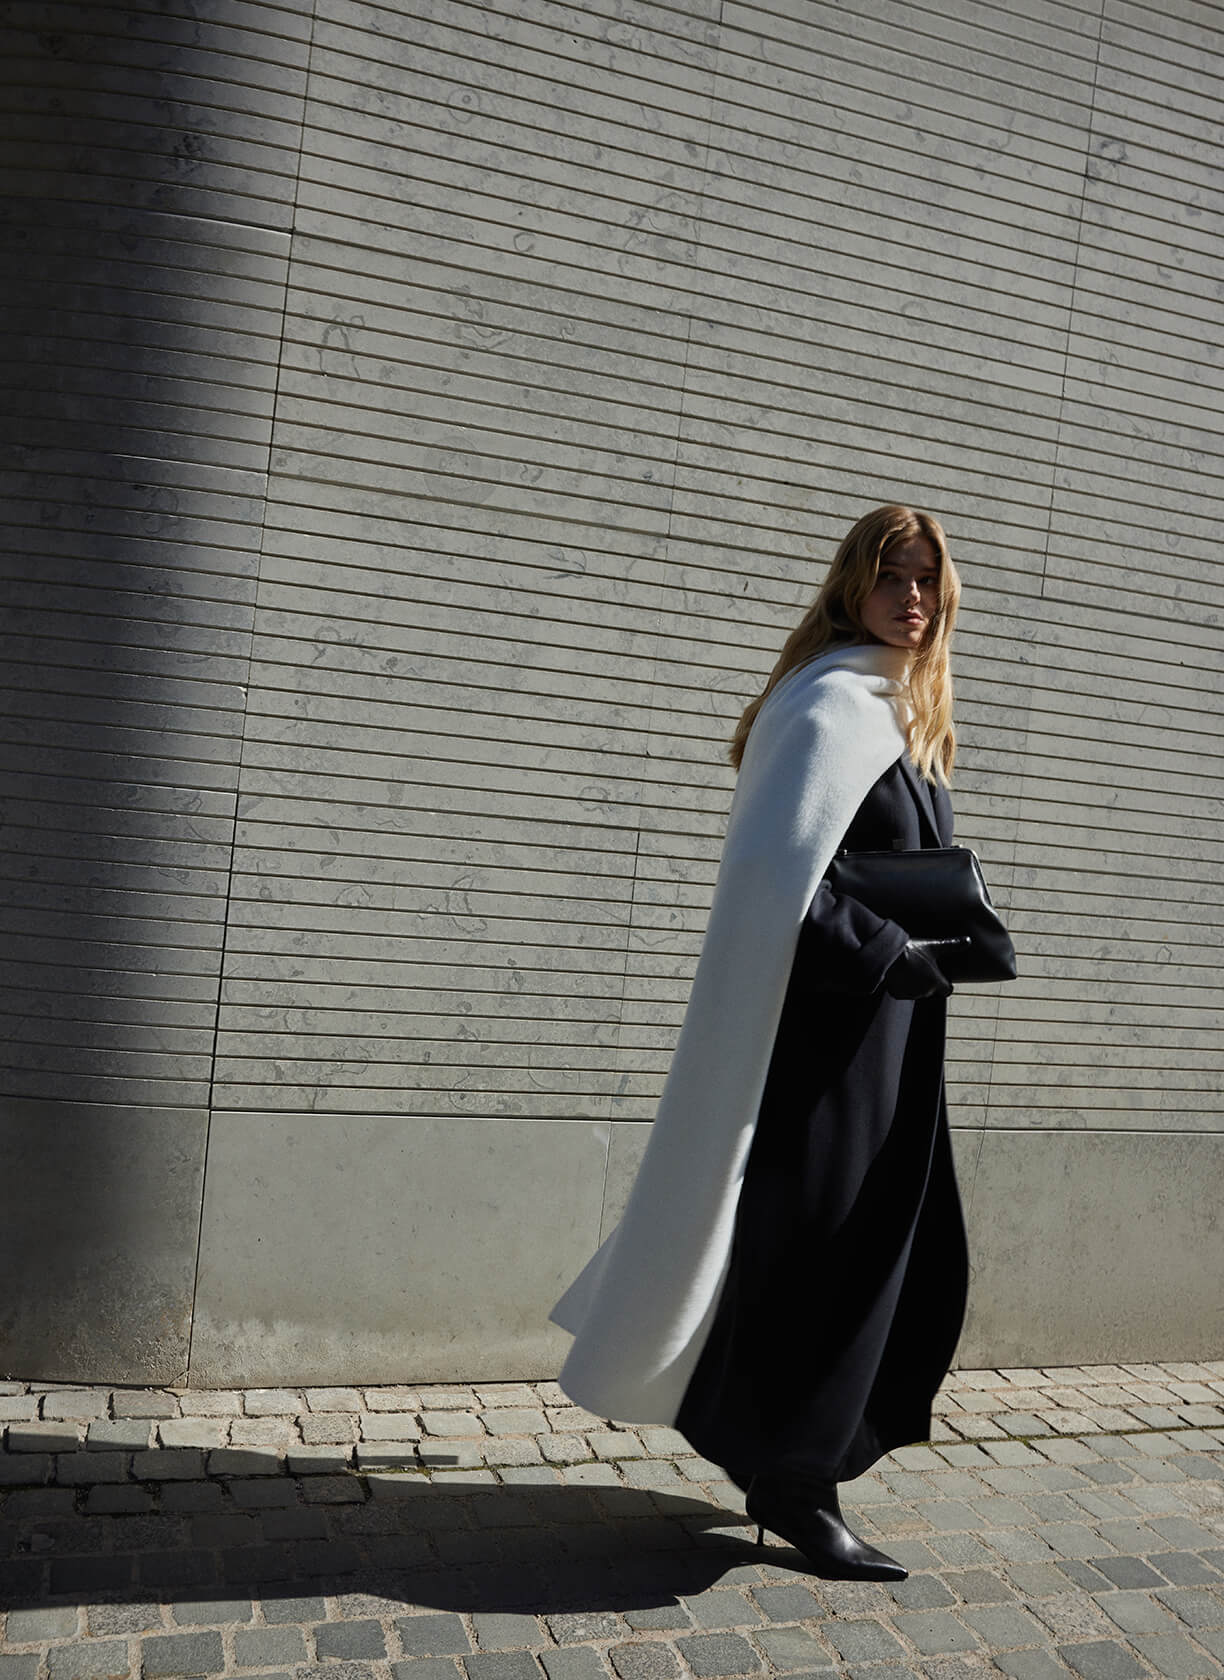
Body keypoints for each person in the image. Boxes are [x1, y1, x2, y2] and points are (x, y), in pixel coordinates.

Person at [551, 505, 970, 1582]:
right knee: (823, 1255)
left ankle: (771, 1452)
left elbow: (869, 869)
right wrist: (886, 950)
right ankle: (794, 1482)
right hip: (820, 1046)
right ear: (852, 584)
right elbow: (776, 881)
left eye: (927, 579)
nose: (912, 597)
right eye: (893, 576)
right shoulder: (829, 704)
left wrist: (949, 934)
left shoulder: (895, 710)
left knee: (847, 1248)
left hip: (882, 1036)